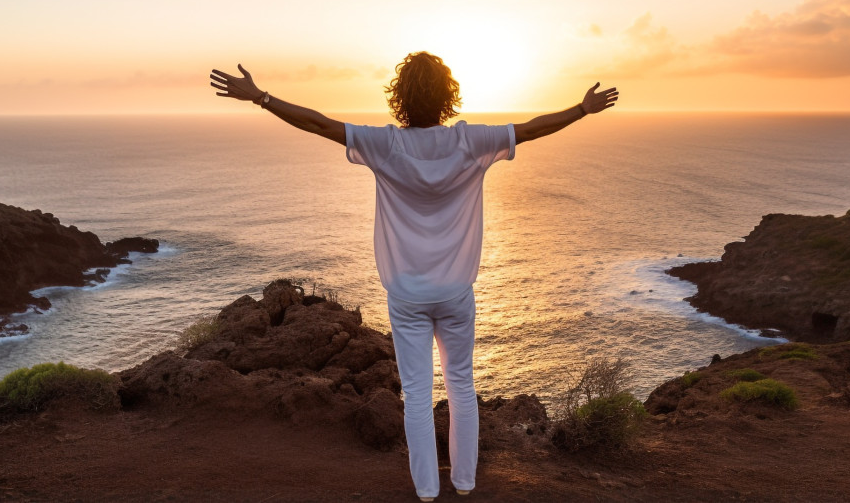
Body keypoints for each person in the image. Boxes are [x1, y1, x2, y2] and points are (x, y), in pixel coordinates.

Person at [210, 52, 618, 500]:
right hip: (456, 291)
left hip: (406, 294)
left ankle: (427, 489)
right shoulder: (471, 143)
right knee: (461, 385)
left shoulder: (387, 146)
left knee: (418, 394)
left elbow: (321, 124)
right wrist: (581, 109)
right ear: (448, 96)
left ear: (400, 97)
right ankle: (464, 482)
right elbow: (533, 128)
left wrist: (261, 97)